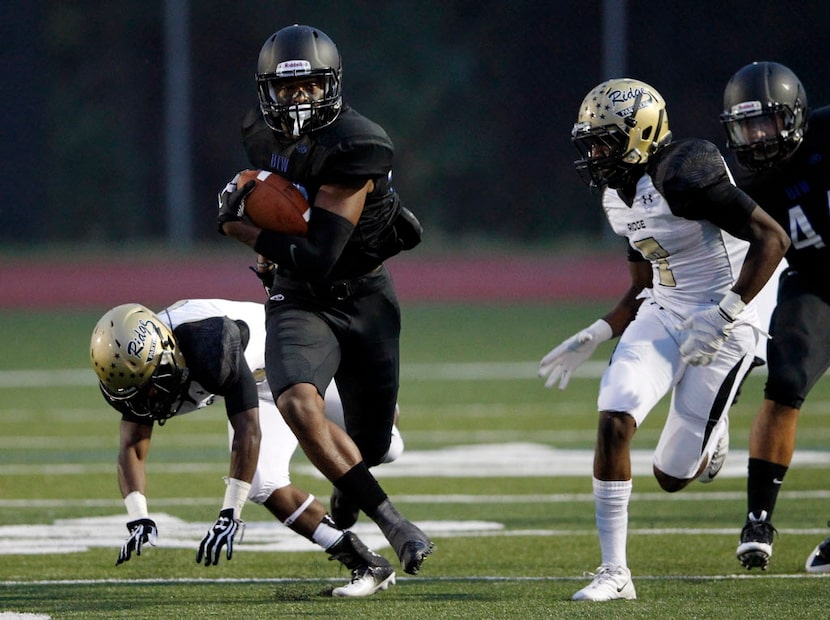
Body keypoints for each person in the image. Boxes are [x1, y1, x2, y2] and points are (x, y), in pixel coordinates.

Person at [538, 78, 790, 601]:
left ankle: (714, 427)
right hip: (665, 309)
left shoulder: (683, 170)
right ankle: (615, 573)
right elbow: (643, 286)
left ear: (641, 133)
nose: (594, 153)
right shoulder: (615, 196)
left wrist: (725, 313)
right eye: (590, 142)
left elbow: (773, 239)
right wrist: (598, 330)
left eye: (605, 140)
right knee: (615, 412)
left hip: (732, 312)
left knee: (673, 475)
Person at [217, 24, 432, 576]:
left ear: (331, 85)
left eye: (310, 86)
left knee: (375, 443)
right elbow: (290, 229)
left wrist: (246, 232)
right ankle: (394, 523)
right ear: (267, 90)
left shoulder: (357, 143)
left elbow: (319, 254)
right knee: (296, 402)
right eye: (286, 89)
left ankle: (351, 490)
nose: (297, 99)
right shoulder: (259, 133)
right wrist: (266, 240)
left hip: (362, 292)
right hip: (299, 298)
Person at [89, 299, 399, 597]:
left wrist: (229, 513)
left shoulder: (210, 343)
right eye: (140, 391)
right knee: (264, 483)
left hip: (294, 358)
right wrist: (138, 516)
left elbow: (247, 431)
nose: (150, 398)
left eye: (155, 384)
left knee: (383, 445)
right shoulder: (137, 374)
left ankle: (358, 468)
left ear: (168, 350)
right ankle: (366, 563)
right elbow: (131, 446)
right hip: (263, 387)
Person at [720, 61, 830, 573]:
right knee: (785, 380)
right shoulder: (742, 180)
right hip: (813, 282)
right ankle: (758, 518)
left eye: (768, 122)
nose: (758, 137)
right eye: (747, 126)